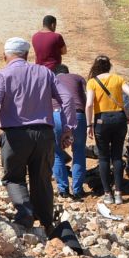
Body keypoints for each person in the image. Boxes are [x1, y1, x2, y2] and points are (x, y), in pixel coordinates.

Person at [0, 37, 63, 235]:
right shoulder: (45, 73)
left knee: (14, 178)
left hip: (15, 136)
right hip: (44, 134)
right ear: (27, 55)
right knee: (42, 178)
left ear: (4, 56)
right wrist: (67, 128)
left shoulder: (2, 75)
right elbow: (65, 98)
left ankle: (25, 214)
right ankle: (46, 222)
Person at [85, 55, 129, 204]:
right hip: (119, 119)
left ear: (96, 67)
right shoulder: (118, 79)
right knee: (117, 156)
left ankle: (108, 194)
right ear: (109, 66)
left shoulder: (92, 82)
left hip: (102, 120)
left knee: (103, 158)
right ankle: (119, 194)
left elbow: (88, 105)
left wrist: (89, 125)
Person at [51, 63, 88, 199]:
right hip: (77, 114)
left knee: (57, 153)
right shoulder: (77, 78)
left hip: (55, 116)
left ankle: (63, 190)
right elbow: (85, 97)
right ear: (68, 72)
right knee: (79, 151)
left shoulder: (51, 79)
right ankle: (78, 190)